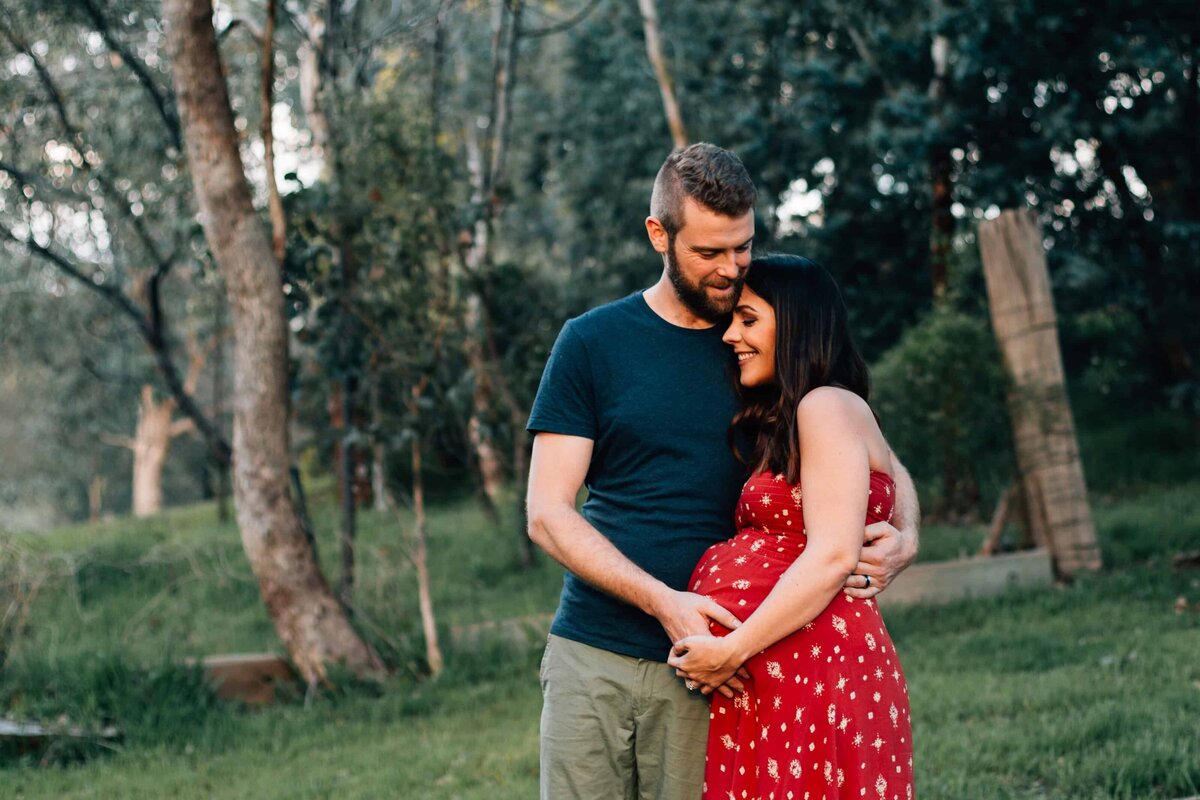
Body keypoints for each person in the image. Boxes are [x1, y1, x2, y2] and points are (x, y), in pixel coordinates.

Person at [525, 143, 919, 800]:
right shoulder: (593, 343)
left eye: (742, 247)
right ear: (659, 233)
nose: (731, 269)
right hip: (593, 652)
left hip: (720, 669)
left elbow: (875, 453)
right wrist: (665, 602)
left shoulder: (766, 337)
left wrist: (905, 533)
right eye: (710, 252)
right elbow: (547, 513)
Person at [668, 254, 915, 799]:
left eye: (749, 319)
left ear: (797, 324)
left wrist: (730, 652)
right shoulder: (808, 413)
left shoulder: (824, 406)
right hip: (781, 672)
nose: (731, 334)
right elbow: (891, 469)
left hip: (814, 672)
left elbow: (831, 556)